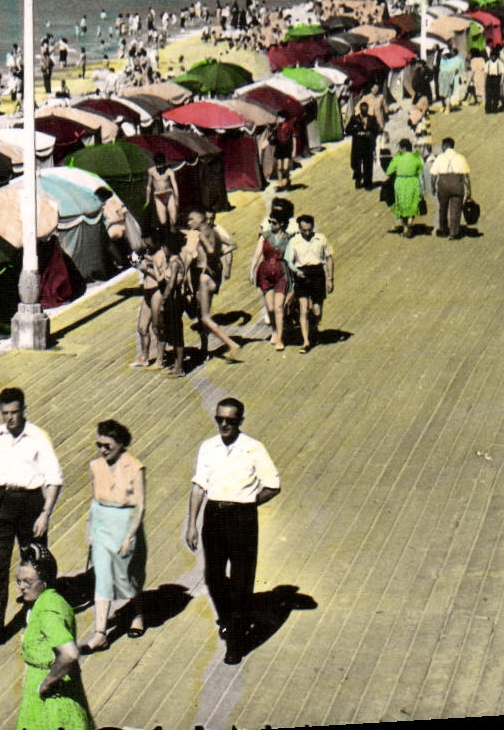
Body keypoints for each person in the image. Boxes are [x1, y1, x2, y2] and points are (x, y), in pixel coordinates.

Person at [184, 397, 281, 665]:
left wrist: (248, 502)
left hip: (242, 518)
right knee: (213, 577)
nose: (224, 424)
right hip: (213, 514)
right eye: (220, 419)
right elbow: (198, 486)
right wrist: (191, 523)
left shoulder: (253, 448)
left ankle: (236, 643)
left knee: (241, 580)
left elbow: (272, 484)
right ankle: (228, 618)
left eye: (230, 420)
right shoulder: (208, 447)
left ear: (240, 421)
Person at [0, 388, 63, 645]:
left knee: (35, 565)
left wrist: (45, 514)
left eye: (15, 412)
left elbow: (55, 480)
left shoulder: (38, 437)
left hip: (30, 503)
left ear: (24, 411)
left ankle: (39, 620)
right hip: (2, 502)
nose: (10, 418)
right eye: (5, 413)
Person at [14, 543, 93, 730]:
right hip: (43, 694)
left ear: (45, 581)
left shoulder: (48, 609)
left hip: (52, 703)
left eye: (28, 582)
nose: (22, 588)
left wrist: (47, 683)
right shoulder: (49, 600)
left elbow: (70, 654)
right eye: (19, 581)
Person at [82, 420, 145, 652]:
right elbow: (93, 499)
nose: (102, 450)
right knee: (102, 577)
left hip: (124, 524)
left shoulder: (134, 467)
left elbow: (140, 506)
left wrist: (130, 535)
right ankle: (100, 633)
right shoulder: (95, 466)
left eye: (107, 445)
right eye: (99, 445)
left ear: (120, 444)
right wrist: (90, 528)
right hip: (101, 524)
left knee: (129, 577)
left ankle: (137, 614)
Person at [180, 210, 241, 363]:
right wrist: (217, 259)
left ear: (200, 219)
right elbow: (232, 245)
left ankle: (231, 344)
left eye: (191, 220)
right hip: (214, 277)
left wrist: (208, 258)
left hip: (205, 278)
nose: (189, 223)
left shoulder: (202, 234)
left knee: (205, 318)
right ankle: (205, 349)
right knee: (201, 315)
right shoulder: (214, 231)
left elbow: (211, 250)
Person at [282, 214, 332, 354]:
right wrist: (296, 271)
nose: (307, 233)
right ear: (299, 228)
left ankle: (314, 327)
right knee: (303, 309)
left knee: (317, 311)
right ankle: (306, 341)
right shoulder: (294, 241)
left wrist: (329, 278)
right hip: (301, 274)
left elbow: (328, 258)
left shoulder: (320, 239)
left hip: (317, 274)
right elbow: (289, 261)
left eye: (310, 229)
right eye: (304, 230)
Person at [247, 215, 290, 351]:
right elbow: (257, 254)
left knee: (278, 307)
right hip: (265, 274)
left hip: (281, 273)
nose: (271, 224)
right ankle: (274, 330)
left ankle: (280, 338)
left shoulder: (288, 238)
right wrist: (251, 270)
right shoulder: (264, 236)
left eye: (274, 222)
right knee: (270, 308)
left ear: (282, 223)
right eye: (270, 222)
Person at [429, 138, 473, 239]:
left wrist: (433, 187)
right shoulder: (460, 157)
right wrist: (469, 190)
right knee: (456, 209)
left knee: (443, 208)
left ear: (445, 146)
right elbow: (466, 176)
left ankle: (444, 229)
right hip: (457, 184)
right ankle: (453, 232)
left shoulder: (440, 157)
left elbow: (433, 174)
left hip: (443, 184)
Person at [383, 138, 425, 236]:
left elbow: (389, 171)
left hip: (400, 182)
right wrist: (422, 189)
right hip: (413, 182)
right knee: (412, 204)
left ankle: (405, 227)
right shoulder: (416, 158)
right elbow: (420, 174)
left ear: (404, 148)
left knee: (401, 205)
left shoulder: (398, 158)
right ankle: (410, 221)